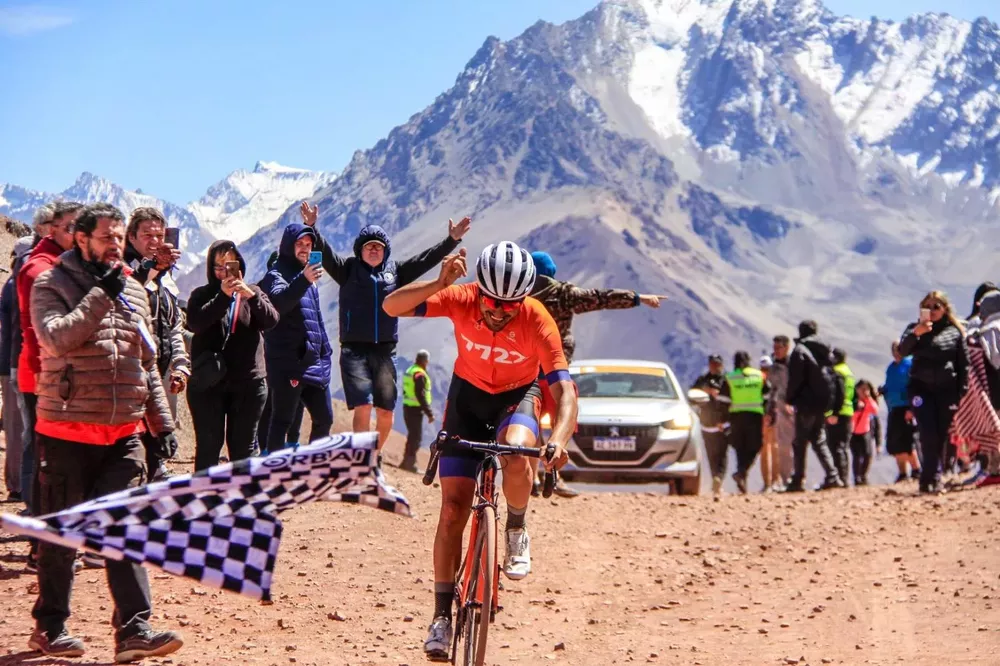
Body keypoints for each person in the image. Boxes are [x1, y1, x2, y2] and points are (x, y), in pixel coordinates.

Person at [382, 241, 577, 661]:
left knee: (518, 451)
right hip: (467, 400)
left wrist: (560, 438)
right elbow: (391, 306)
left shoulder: (536, 318)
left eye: (511, 304)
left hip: (517, 397)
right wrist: (438, 282)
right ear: (480, 290)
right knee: (453, 509)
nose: (500, 311)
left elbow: (564, 390)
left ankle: (516, 527)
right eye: (493, 302)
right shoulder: (462, 298)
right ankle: (441, 617)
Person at [28, 202, 182, 660]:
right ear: (81, 239)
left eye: (119, 237)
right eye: (106, 237)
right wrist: (100, 295)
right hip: (66, 432)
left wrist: (161, 422)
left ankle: (134, 629)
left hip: (123, 436)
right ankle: (49, 627)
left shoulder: (134, 289)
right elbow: (55, 338)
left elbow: (146, 361)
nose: (115, 245)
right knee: (62, 537)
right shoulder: (50, 283)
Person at [299, 202, 469, 454]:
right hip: (354, 350)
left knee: (386, 412)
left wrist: (451, 241)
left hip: (385, 350)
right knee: (363, 406)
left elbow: (424, 261)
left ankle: (373, 455)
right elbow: (325, 250)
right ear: (360, 250)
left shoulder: (396, 272)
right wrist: (312, 227)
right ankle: (362, 459)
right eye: (368, 246)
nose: (373, 249)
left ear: (385, 250)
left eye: (378, 246)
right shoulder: (347, 270)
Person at [528, 250, 662, 497]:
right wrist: (638, 298)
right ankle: (553, 475)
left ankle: (532, 477)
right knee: (561, 422)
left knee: (530, 422)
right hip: (555, 370)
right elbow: (601, 298)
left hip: (526, 371)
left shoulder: (517, 294)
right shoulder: (563, 293)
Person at [17, 201, 83, 571]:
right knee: (47, 464)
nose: (77, 234)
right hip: (44, 378)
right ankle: (40, 548)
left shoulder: (70, 264)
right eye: (71, 226)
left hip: (68, 380)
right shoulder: (39, 269)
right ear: (51, 228)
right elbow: (44, 332)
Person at [186, 241, 279, 471]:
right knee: (208, 446)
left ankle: (242, 492)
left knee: (243, 450)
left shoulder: (253, 292)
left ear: (240, 265)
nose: (225, 271)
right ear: (211, 269)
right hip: (209, 383)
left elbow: (271, 320)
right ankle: (205, 492)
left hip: (247, 383)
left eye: (230, 265)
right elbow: (195, 323)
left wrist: (250, 296)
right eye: (219, 267)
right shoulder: (201, 295)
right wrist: (223, 296)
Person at [124, 208, 190, 480]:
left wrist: (180, 364)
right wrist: (153, 266)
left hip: (159, 370)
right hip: (130, 372)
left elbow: (173, 324)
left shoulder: (165, 277)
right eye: (147, 235)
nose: (155, 241)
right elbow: (129, 288)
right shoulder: (121, 269)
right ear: (131, 237)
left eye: (160, 236)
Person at [260, 223, 335, 451]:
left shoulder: (308, 278)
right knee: (282, 421)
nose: (304, 249)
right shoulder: (275, 275)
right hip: (288, 364)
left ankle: (312, 466)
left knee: (325, 418)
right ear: (288, 246)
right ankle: (275, 468)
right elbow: (278, 304)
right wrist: (303, 279)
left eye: (308, 245)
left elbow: (315, 319)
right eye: (299, 244)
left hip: (313, 363)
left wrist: (325, 352)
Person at [898, 291, 967, 494]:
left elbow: (964, 365)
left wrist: (961, 392)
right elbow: (902, 351)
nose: (932, 310)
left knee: (940, 434)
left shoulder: (954, 332)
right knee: (927, 431)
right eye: (927, 306)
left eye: (936, 306)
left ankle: (931, 478)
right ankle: (931, 478)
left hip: (946, 391)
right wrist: (917, 333)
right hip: (920, 389)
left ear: (945, 309)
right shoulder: (914, 329)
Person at [784, 320, 843, 491]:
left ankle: (798, 480)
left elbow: (796, 378)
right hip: (823, 403)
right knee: (818, 439)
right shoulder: (825, 350)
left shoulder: (800, 351)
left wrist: (790, 398)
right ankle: (833, 476)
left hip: (805, 403)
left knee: (800, 442)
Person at [723, 351, 769, 494]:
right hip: (755, 416)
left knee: (740, 449)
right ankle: (742, 475)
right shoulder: (759, 376)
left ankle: (741, 476)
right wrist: (767, 412)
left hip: (736, 417)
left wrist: (724, 421)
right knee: (756, 446)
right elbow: (767, 395)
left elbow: (723, 401)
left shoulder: (730, 378)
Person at [1, 256, 25, 501]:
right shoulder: (14, 286)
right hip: (12, 366)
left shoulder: (12, 284)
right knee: (16, 427)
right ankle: (17, 484)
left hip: (12, 364)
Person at [880, 340, 921, 482]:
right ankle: (902, 473)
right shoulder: (891, 368)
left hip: (906, 408)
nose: (896, 352)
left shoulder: (910, 364)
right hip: (894, 408)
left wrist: (912, 408)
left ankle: (916, 470)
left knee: (907, 442)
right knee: (895, 443)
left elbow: (916, 387)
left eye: (898, 349)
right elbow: (889, 385)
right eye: (894, 349)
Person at [690, 354, 730, 497]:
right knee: (711, 454)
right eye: (712, 364)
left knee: (722, 454)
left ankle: (719, 478)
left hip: (723, 424)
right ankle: (715, 480)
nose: (715, 367)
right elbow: (691, 397)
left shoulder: (726, 380)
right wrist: (703, 392)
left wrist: (717, 394)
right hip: (707, 424)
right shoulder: (702, 381)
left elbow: (731, 400)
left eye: (717, 364)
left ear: (722, 365)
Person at [825, 348, 856, 485]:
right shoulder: (848, 371)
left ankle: (839, 478)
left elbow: (838, 393)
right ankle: (844, 478)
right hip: (847, 411)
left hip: (838, 413)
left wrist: (834, 412)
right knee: (842, 447)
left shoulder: (837, 372)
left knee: (835, 447)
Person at [768, 335, 795, 488]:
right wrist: (770, 410)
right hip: (781, 408)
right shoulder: (774, 368)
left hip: (797, 408)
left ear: (787, 347)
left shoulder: (796, 364)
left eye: (779, 348)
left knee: (799, 444)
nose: (776, 351)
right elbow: (773, 390)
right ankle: (787, 479)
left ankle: (798, 477)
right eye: (775, 348)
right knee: (783, 445)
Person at [401, 349, 434, 473]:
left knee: (412, 436)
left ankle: (406, 462)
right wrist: (429, 413)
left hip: (407, 406)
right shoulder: (419, 374)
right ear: (425, 361)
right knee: (416, 438)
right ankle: (409, 464)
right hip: (415, 409)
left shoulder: (411, 370)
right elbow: (420, 395)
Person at [849, 380, 879, 485]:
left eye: (866, 389)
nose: (864, 391)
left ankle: (863, 475)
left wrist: (868, 398)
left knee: (868, 455)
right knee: (856, 456)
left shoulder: (868, 402)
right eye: (862, 389)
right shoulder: (853, 401)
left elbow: (875, 410)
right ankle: (857, 478)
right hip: (853, 432)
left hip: (865, 431)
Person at [758, 355, 780, 492]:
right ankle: (767, 483)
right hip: (765, 417)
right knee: (765, 450)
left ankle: (775, 481)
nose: (765, 371)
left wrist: (770, 414)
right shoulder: (760, 381)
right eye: (763, 368)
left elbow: (775, 399)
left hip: (773, 417)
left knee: (774, 448)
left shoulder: (774, 382)